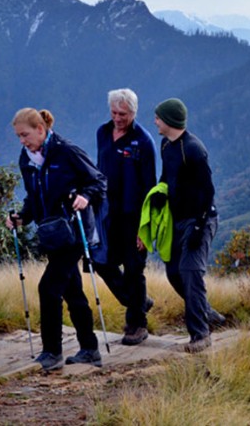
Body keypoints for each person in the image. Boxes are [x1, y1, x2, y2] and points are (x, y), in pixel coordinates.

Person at [6, 108, 105, 371]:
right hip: (51, 233)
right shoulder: (26, 159)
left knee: (48, 288)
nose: (22, 141)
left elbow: (98, 182)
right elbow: (33, 196)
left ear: (41, 129)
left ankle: (52, 352)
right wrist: (22, 217)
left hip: (74, 230)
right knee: (73, 291)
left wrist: (86, 196)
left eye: (25, 134)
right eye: (18, 136)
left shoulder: (67, 151)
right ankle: (89, 348)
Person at [152, 98, 220, 353]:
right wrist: (161, 192)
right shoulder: (166, 145)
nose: (155, 121)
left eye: (158, 117)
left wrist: (200, 228)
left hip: (199, 219)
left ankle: (201, 336)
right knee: (173, 273)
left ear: (169, 120)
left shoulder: (193, 149)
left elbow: (208, 190)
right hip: (177, 219)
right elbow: (166, 176)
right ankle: (206, 313)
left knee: (191, 272)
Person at [95, 89, 156, 345]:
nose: (118, 118)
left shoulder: (143, 142)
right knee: (101, 262)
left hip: (134, 216)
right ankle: (138, 301)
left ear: (134, 112)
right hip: (108, 213)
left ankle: (137, 325)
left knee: (133, 268)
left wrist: (145, 228)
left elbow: (150, 186)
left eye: (124, 113)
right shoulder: (102, 132)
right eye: (114, 112)